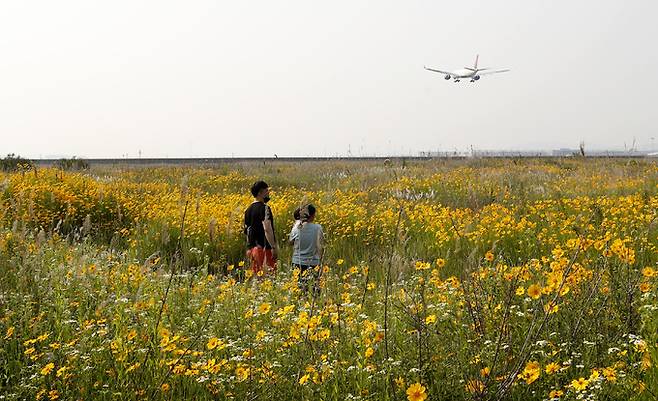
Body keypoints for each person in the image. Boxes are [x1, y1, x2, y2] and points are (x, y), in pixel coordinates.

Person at [244, 181, 278, 275]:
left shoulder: (248, 210)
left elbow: (247, 231)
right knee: (269, 277)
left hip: (252, 249)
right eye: (266, 191)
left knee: (257, 277)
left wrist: (249, 248)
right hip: (264, 249)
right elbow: (267, 229)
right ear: (260, 193)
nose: (268, 193)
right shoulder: (265, 208)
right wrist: (273, 247)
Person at [289, 204, 323, 293]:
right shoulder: (318, 228)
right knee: (314, 291)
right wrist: (321, 261)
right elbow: (320, 246)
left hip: (298, 262)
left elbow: (290, 242)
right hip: (314, 263)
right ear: (312, 215)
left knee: (299, 291)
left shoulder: (296, 228)